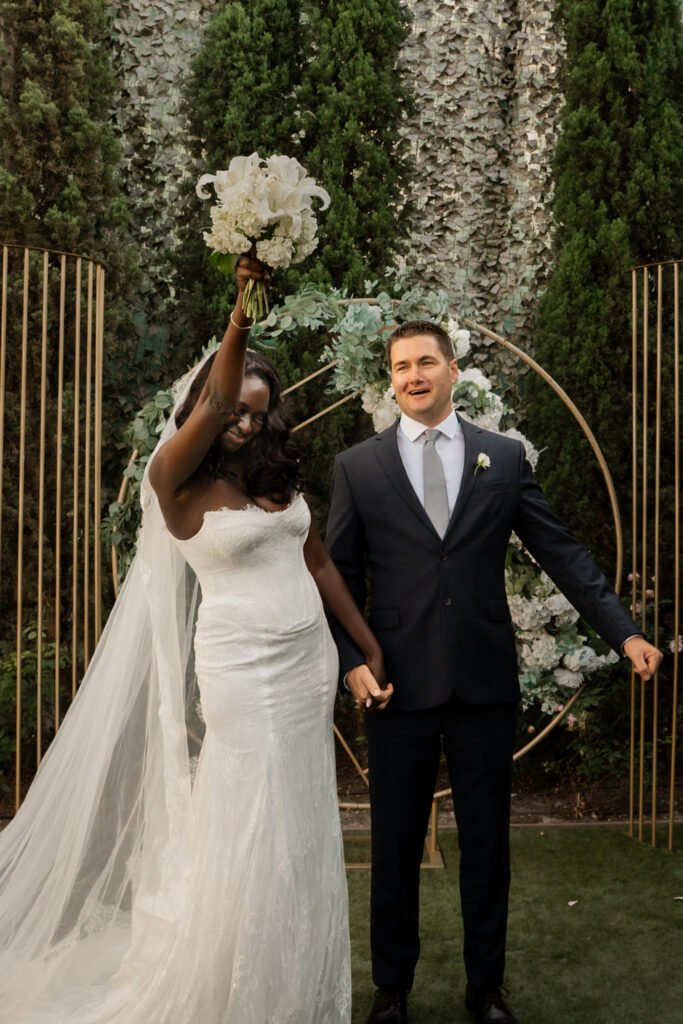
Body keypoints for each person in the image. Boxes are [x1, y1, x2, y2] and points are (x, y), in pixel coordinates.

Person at [0, 256, 387, 1023]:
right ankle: (236, 989)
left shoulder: (273, 472)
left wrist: (365, 646)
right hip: (241, 667)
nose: (244, 422)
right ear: (206, 406)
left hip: (307, 662)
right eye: (234, 410)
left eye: (257, 411)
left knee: (304, 815)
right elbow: (217, 393)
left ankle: (297, 984)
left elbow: (315, 559)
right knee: (251, 814)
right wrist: (242, 311)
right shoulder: (173, 480)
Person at [324, 319, 662, 1024]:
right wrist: (351, 663)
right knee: (392, 845)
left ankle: (486, 990)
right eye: (398, 366)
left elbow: (562, 554)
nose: (411, 376)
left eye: (424, 362)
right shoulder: (358, 466)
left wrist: (624, 632)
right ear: (389, 379)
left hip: (482, 683)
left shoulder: (501, 459)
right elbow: (335, 578)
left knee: (485, 844)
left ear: (452, 371)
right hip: (395, 685)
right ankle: (392, 992)